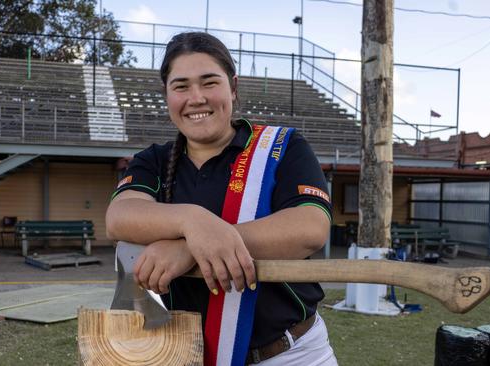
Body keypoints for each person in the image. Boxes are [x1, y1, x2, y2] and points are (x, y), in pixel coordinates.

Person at [106, 32, 337, 366]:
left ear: (233, 86)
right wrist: (192, 221)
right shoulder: (152, 160)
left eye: (209, 82)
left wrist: (190, 248)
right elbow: (119, 217)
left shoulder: (283, 146)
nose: (196, 97)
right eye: (181, 86)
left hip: (290, 354)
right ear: (167, 95)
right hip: (189, 355)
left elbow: (310, 228)